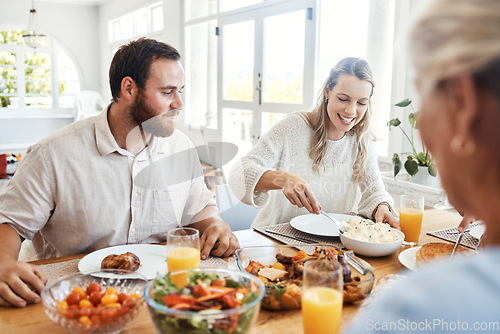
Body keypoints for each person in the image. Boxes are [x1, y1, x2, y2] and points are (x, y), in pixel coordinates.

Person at [0, 38, 239, 308]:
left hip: (165, 295)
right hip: (77, 299)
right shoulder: (51, 154)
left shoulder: (180, 146)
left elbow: (199, 210)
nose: (179, 104)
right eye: (168, 92)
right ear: (129, 88)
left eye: (180, 91)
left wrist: (216, 225)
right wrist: (4, 263)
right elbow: (10, 223)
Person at [345, 0, 500, 332]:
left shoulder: (419, 308)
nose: (421, 128)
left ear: (463, 103)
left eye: (422, 95)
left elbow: (373, 187)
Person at [228, 57, 398, 228]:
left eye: (361, 102)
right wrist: (283, 178)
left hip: (332, 244)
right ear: (327, 91)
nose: (351, 111)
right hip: (276, 239)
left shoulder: (362, 141)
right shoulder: (293, 127)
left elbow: (375, 191)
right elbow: (238, 174)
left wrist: (381, 206)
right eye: (343, 99)